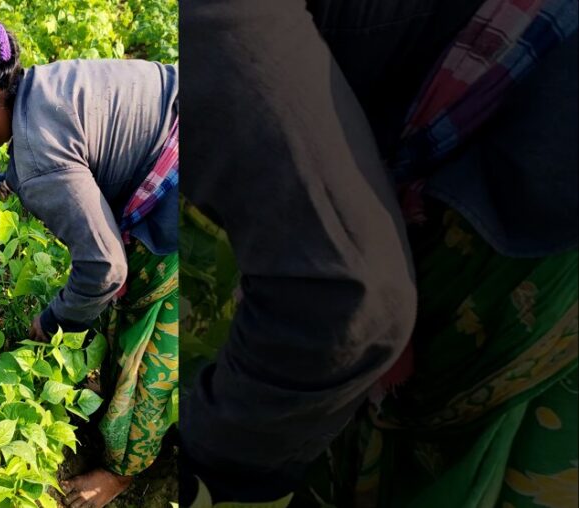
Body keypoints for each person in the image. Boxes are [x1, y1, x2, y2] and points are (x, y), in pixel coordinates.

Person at [183, 0, 577, 506]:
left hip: (531, 200)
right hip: (482, 113)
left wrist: (206, 469)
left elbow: (343, 303)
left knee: (437, 464)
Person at [0, 18, 179, 508]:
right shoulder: (38, 84)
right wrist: (3, 180)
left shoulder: (40, 162)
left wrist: (55, 318)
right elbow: (68, 144)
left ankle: (123, 470)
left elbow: (105, 268)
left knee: (147, 347)